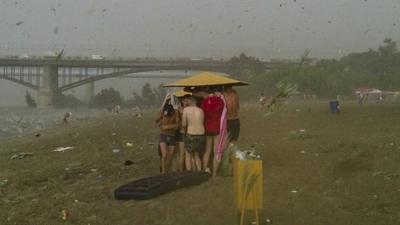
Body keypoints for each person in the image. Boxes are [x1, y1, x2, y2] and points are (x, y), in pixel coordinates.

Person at [201, 87, 226, 177]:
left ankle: (204, 171)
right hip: (217, 128)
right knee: (216, 152)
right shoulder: (220, 101)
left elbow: (203, 113)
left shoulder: (204, 102)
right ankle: (214, 174)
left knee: (207, 150)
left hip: (207, 128)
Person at [154, 98, 180, 173]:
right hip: (163, 135)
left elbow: (177, 125)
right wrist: (164, 102)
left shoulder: (176, 112)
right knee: (164, 155)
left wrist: (168, 126)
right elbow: (156, 120)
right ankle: (164, 172)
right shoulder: (164, 112)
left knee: (171, 156)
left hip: (172, 136)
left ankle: (167, 169)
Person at [181, 96, 205, 171]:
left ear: (191, 101)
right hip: (201, 134)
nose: (186, 101)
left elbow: (184, 124)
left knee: (188, 155)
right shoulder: (201, 110)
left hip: (191, 134)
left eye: (187, 100)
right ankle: (199, 172)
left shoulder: (186, 110)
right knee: (197, 155)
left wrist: (184, 132)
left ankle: (189, 174)